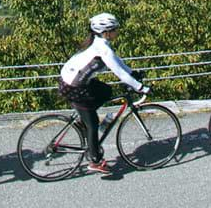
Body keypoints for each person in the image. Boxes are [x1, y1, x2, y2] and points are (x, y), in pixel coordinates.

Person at [58, 12, 148, 176]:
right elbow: (119, 73)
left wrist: (133, 73)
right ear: (106, 31)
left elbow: (119, 63)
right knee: (93, 124)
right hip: (73, 86)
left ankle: (82, 119)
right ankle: (95, 161)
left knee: (106, 90)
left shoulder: (101, 43)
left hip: (74, 80)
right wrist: (140, 87)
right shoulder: (103, 49)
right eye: (115, 29)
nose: (117, 31)